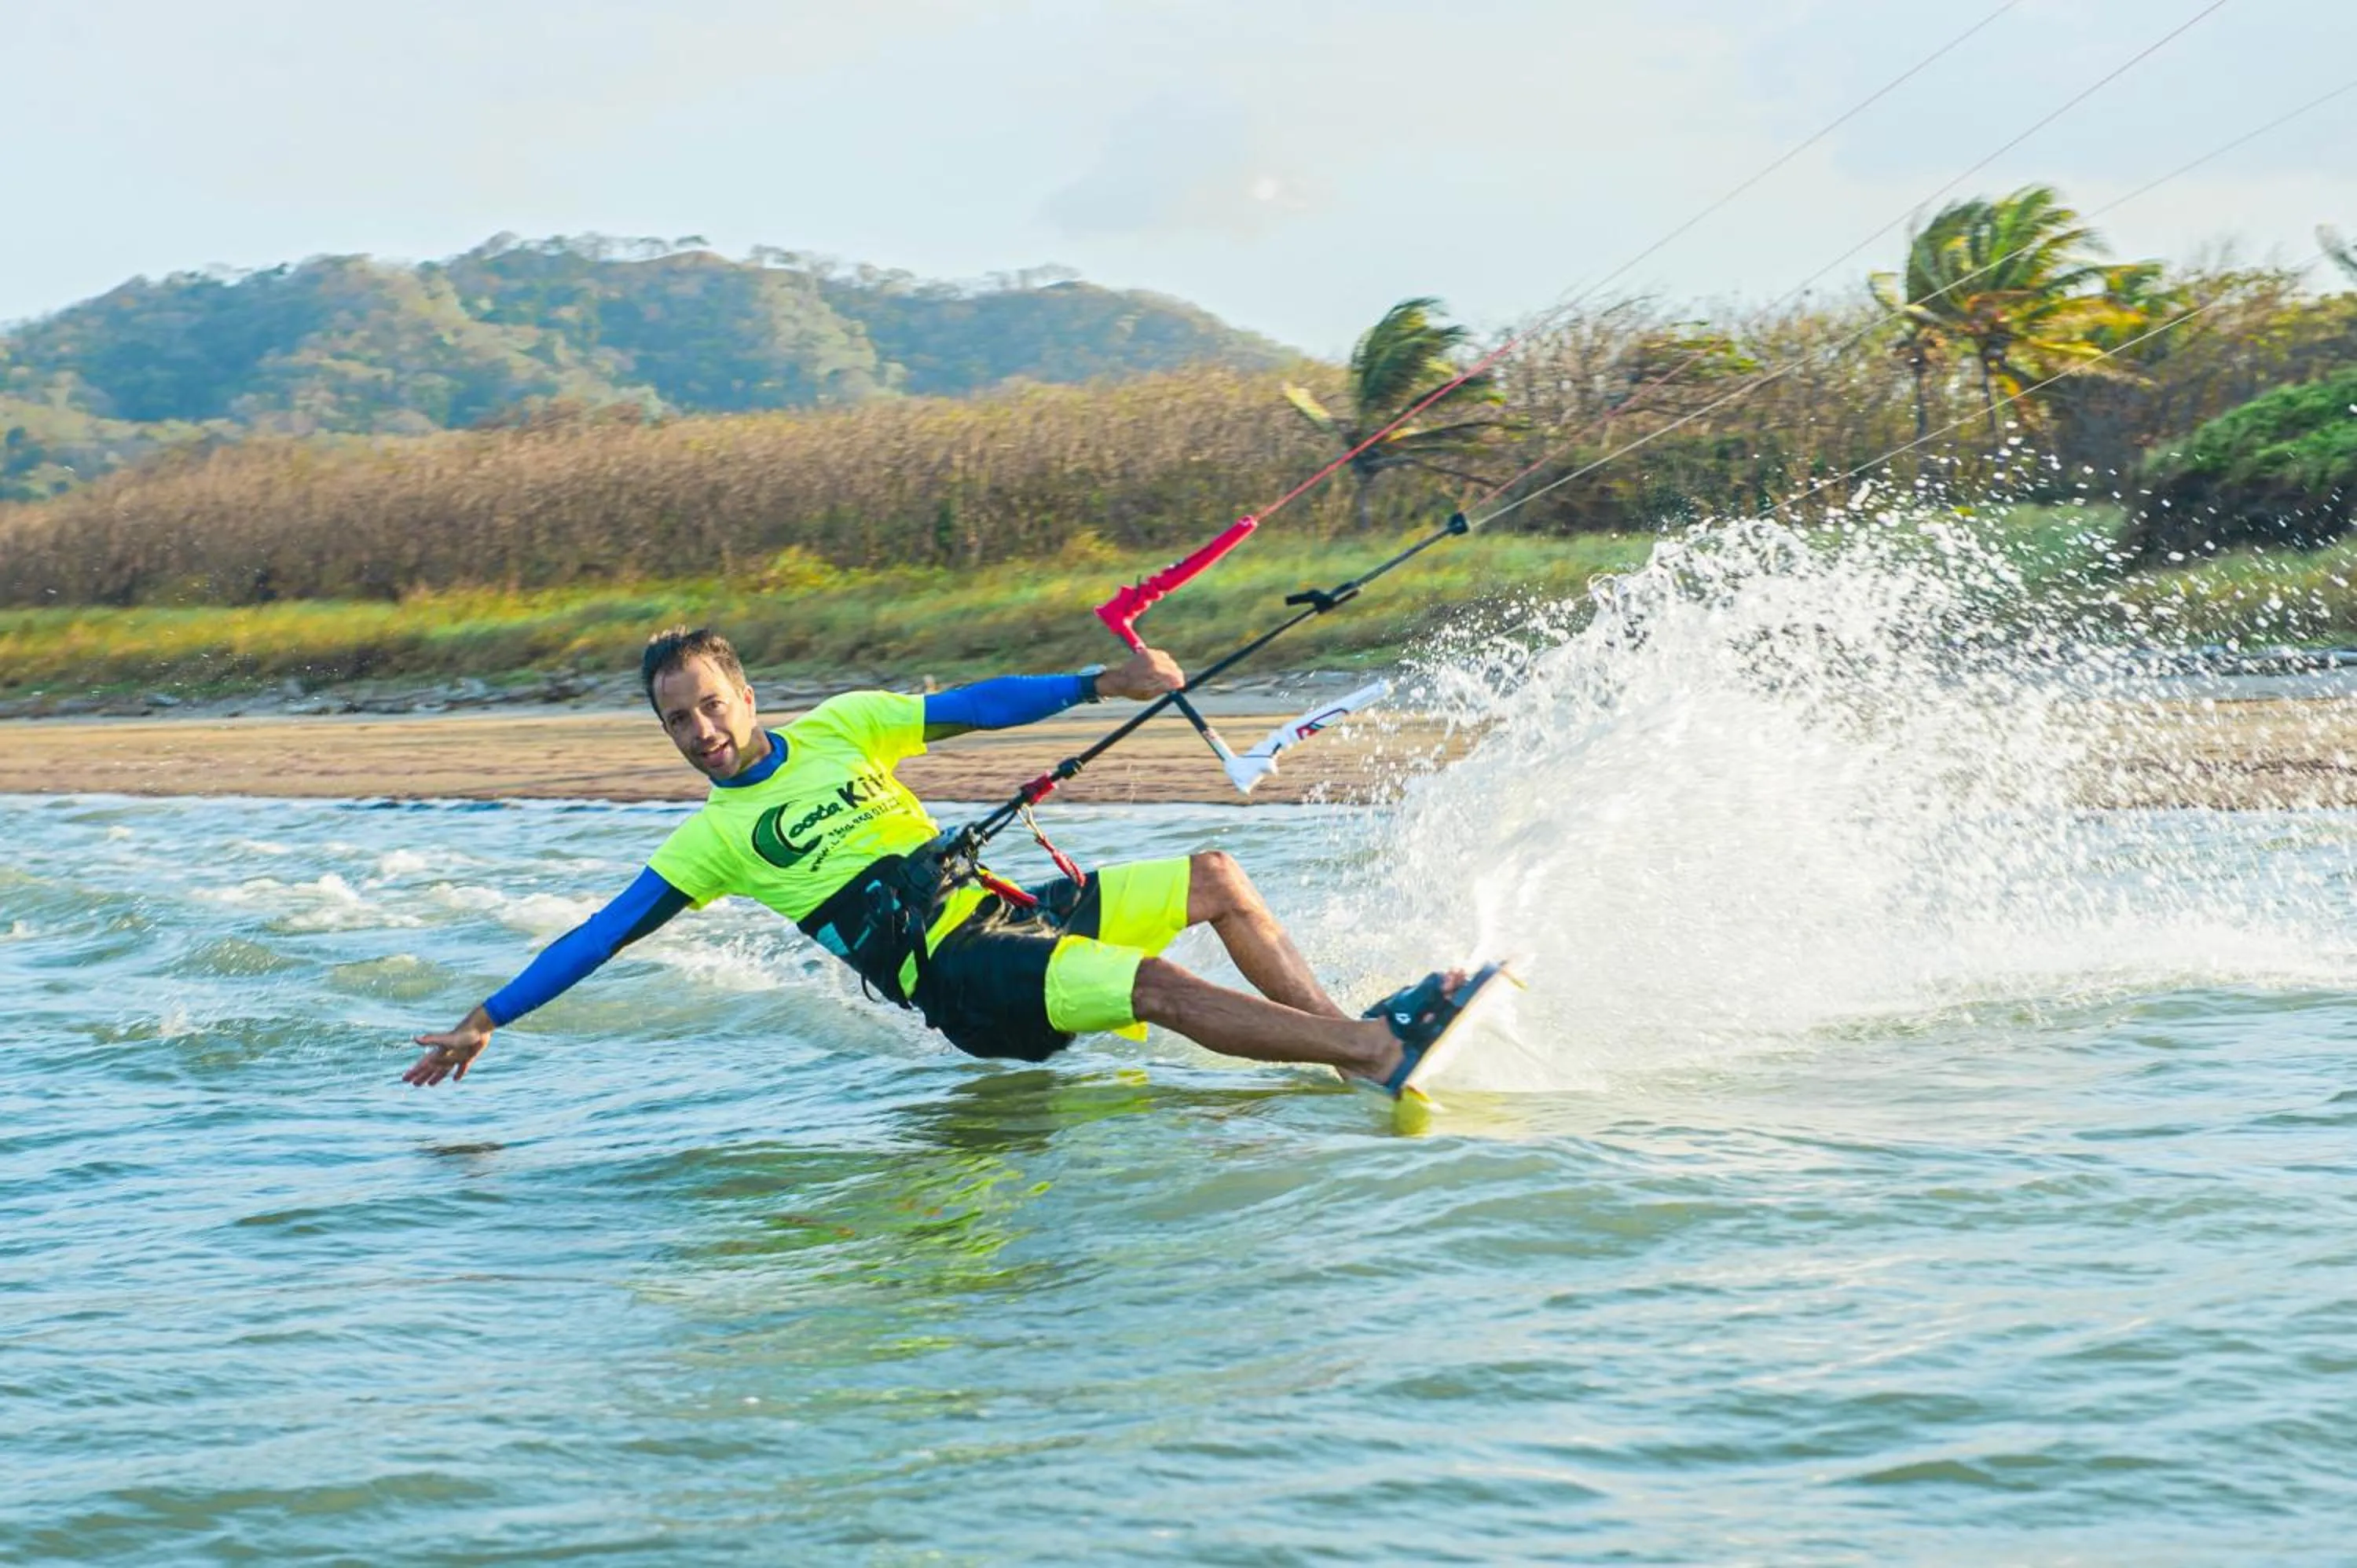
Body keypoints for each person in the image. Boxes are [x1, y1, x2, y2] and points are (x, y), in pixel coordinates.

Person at [405, 626, 1472, 1096]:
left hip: (1002, 913)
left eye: (711, 708)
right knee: (1157, 987)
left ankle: (1345, 1055)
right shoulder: (712, 840)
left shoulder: (843, 727)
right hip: (956, 977)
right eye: (677, 722)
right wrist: (490, 1014)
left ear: (745, 695)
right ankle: (1376, 1049)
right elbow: (602, 934)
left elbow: (970, 708)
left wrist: (1098, 683)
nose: (700, 734)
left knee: (1217, 878)